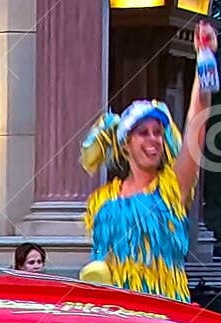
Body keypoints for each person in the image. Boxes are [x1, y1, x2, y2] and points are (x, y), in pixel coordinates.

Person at [80, 60, 212, 302]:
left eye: (158, 132)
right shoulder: (101, 200)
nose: (153, 139)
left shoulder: (172, 188)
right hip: (118, 319)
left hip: (165, 316)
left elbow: (197, 125)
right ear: (125, 144)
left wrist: (205, 56)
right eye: (143, 132)